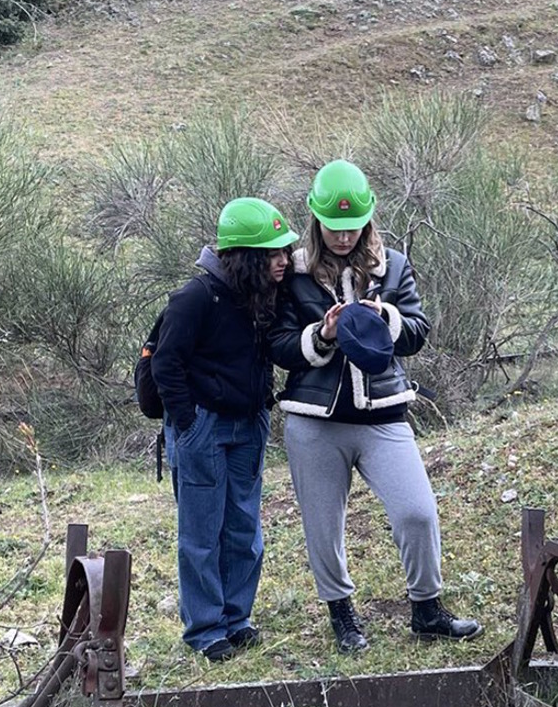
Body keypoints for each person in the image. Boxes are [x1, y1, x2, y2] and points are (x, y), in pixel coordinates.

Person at [271, 160, 478, 652]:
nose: (343, 236)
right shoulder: (293, 274)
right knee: (324, 525)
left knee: (417, 512)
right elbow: (276, 346)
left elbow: (417, 332)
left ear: (368, 219)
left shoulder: (395, 265)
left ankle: (427, 609)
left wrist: (382, 317)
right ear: (316, 221)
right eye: (334, 227)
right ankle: (342, 616)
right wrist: (320, 334)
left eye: (353, 226)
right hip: (314, 420)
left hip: (385, 414)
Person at [153, 196, 298, 663]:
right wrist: (188, 421)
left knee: (244, 529)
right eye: (273, 253)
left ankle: (237, 620)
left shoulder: (264, 295)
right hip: (204, 428)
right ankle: (206, 630)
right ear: (248, 257)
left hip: (249, 425)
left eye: (285, 252)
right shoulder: (196, 297)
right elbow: (166, 364)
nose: (283, 261)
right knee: (201, 532)